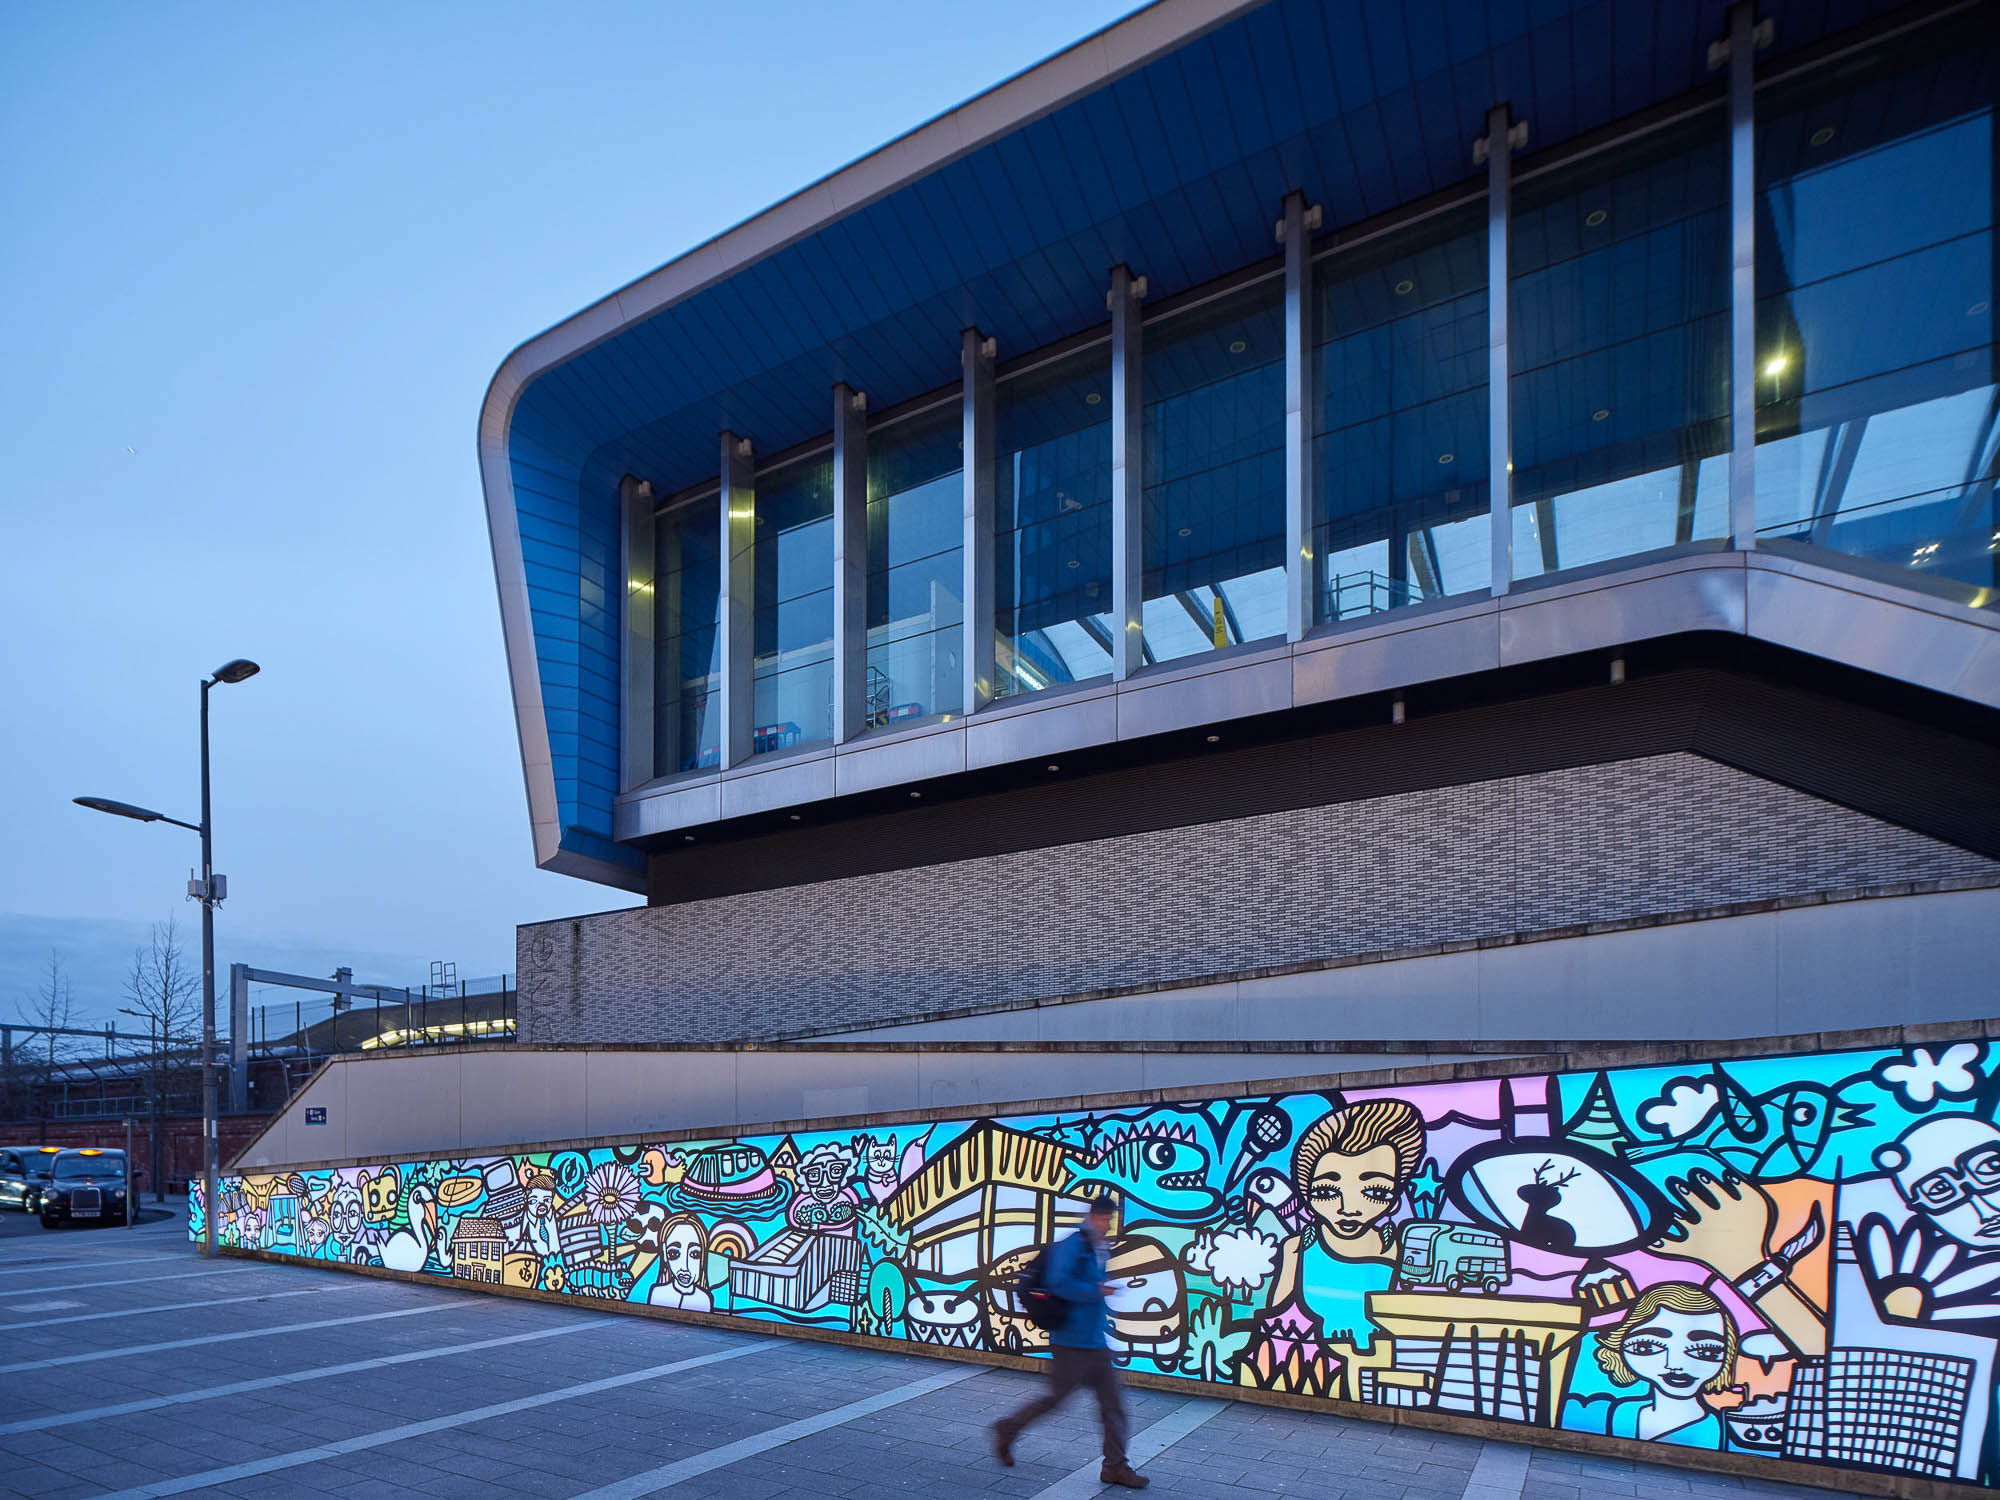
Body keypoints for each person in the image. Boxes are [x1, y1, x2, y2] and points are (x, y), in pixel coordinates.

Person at [991, 1194, 1149, 1489]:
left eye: (1110, 1219)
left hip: (1094, 1342)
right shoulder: (1072, 1245)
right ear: (1093, 1217)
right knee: (1054, 1400)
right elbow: (1058, 1283)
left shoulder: (1097, 1247)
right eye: (1105, 1218)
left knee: (1113, 1405)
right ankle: (1008, 1428)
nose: (1108, 1224)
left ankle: (1115, 1466)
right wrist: (1096, 1290)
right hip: (1070, 1342)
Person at [1266, 1097, 1424, 1353]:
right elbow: (1276, 1321)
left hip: (1382, 1366)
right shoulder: (1297, 1249)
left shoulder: (1401, 1250)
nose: (1348, 1208)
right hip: (1316, 1365)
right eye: (1327, 1191)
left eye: (1375, 1191)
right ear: (1306, 1195)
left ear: (1395, 1198)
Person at [1581, 1282, 1739, 1448]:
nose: (1675, 1364)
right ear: (1619, 1344)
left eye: (1706, 1351)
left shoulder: (1711, 1428)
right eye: (1646, 1347)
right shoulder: (1625, 1411)